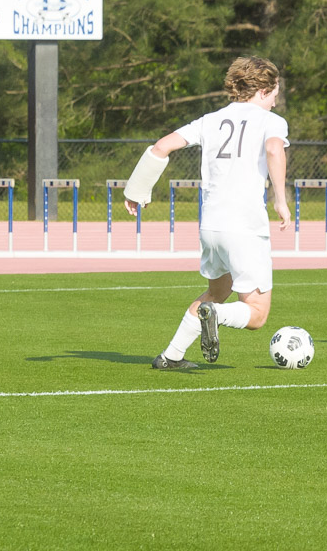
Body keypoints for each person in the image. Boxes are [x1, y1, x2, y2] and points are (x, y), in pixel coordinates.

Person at [123, 55, 291, 369]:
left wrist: (137, 190)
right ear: (266, 89)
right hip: (244, 226)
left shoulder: (210, 120)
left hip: (211, 225)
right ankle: (216, 316)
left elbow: (161, 146)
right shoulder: (272, 121)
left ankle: (171, 357)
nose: (277, 96)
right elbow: (273, 149)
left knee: (218, 290)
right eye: (277, 89)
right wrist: (280, 200)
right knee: (256, 314)